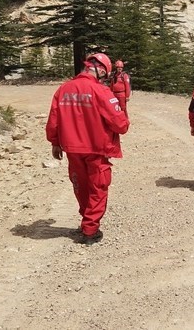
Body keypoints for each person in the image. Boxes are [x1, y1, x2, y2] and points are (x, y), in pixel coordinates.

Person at [46, 53, 130, 244]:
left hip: (72, 150)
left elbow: (53, 120)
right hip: (96, 149)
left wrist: (54, 142)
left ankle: (87, 220)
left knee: (80, 187)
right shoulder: (101, 91)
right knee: (98, 187)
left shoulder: (63, 89)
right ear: (100, 71)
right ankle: (90, 230)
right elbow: (120, 125)